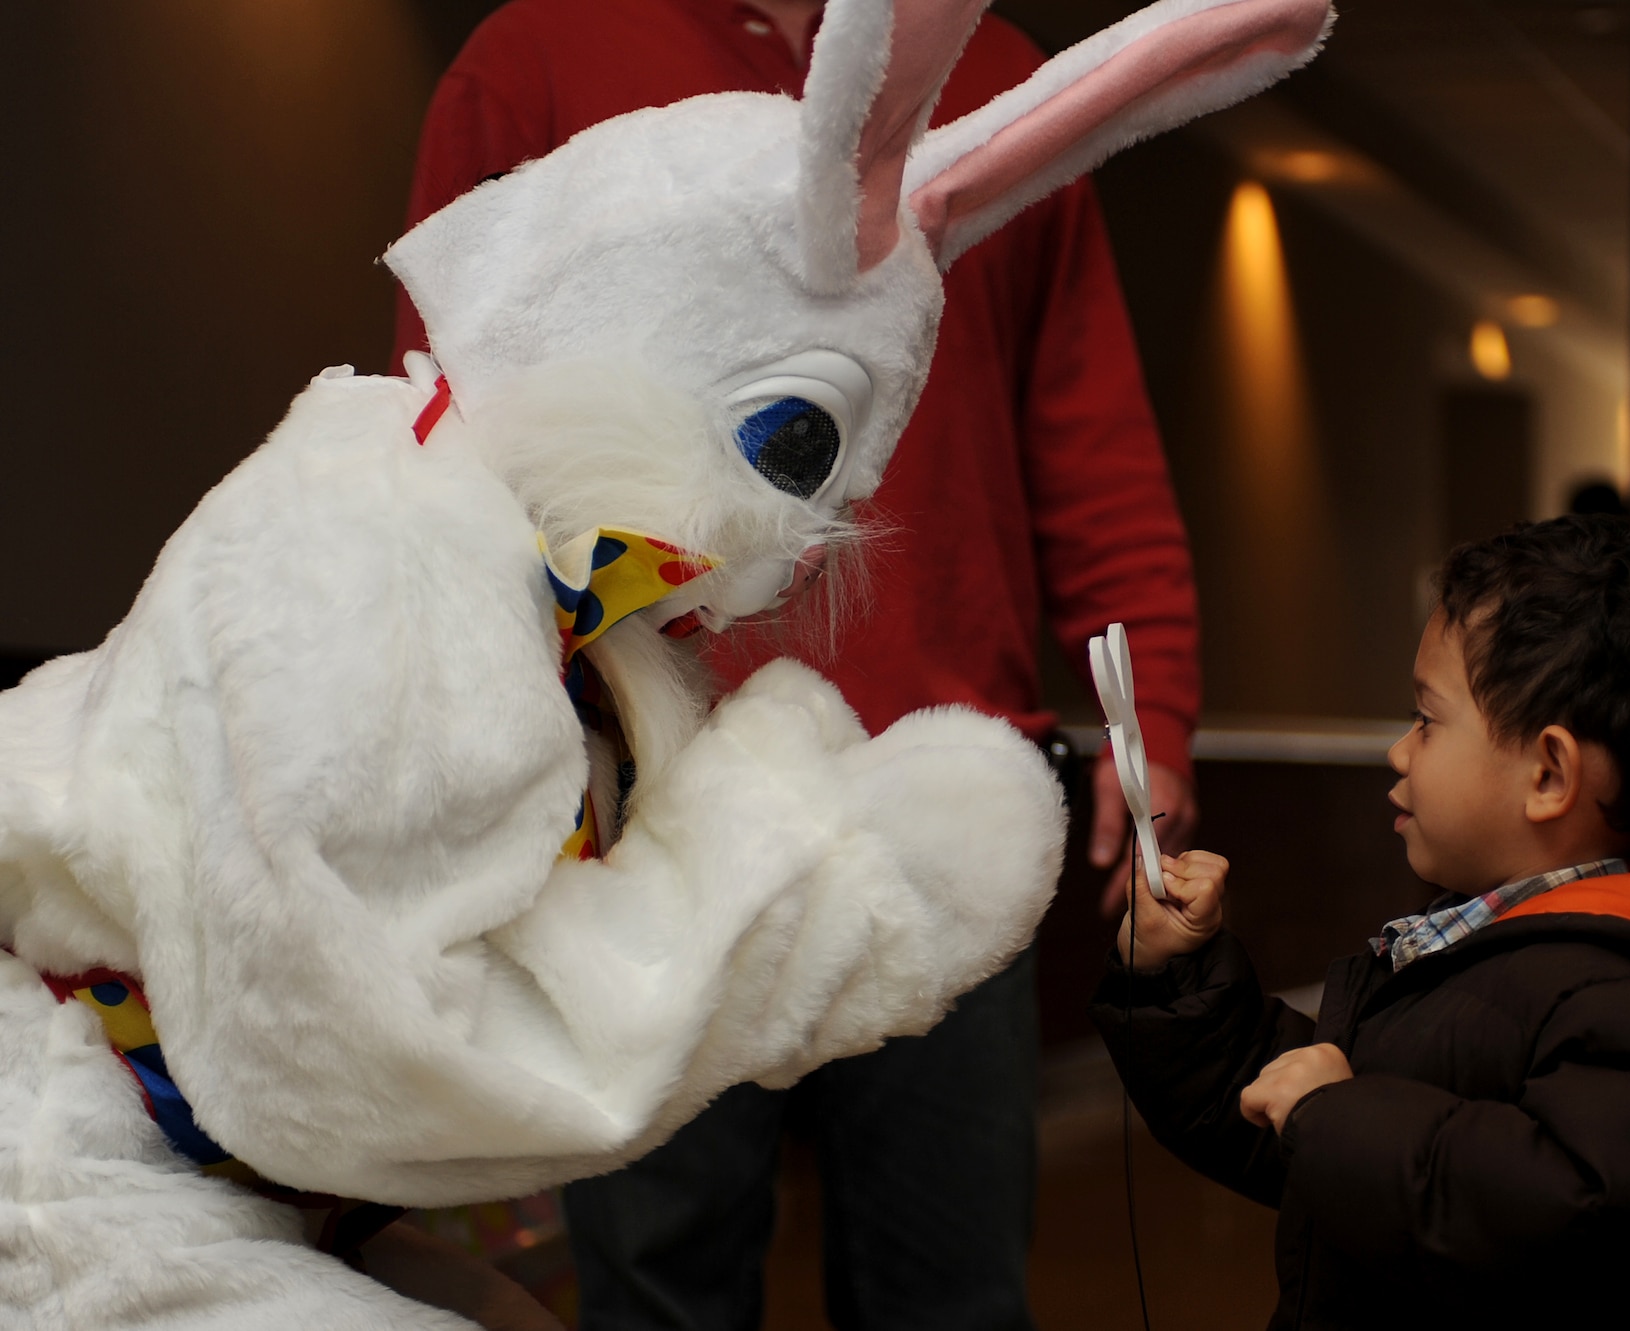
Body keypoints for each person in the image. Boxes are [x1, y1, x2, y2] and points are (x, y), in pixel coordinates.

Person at [394, 2, 1202, 1327]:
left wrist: (1150, 704)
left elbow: (1081, 422)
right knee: (658, 1287)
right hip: (644, 802)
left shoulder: (990, 73)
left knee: (951, 1293)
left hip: (937, 800)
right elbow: (435, 409)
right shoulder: (540, 53)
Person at [1092, 515, 1630, 1331]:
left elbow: (1565, 1215)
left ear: (1548, 772)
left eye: (1426, 719)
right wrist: (1180, 976)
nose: (1399, 752)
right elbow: (1307, 1123)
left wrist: (1333, 1117)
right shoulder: (1491, 952)